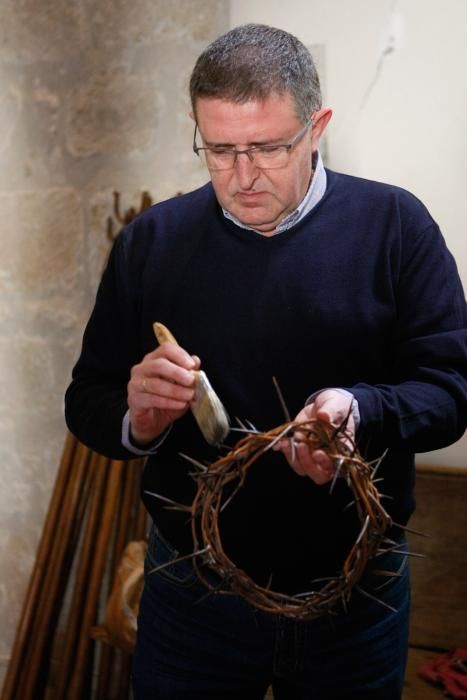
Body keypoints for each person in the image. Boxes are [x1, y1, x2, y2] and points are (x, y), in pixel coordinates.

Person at [65, 23, 467, 700]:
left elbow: (450, 393)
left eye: (268, 147)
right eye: (218, 150)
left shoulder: (395, 227)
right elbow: (88, 404)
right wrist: (137, 416)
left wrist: (359, 410)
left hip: (355, 591)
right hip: (191, 593)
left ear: (316, 128)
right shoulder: (151, 243)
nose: (242, 176)